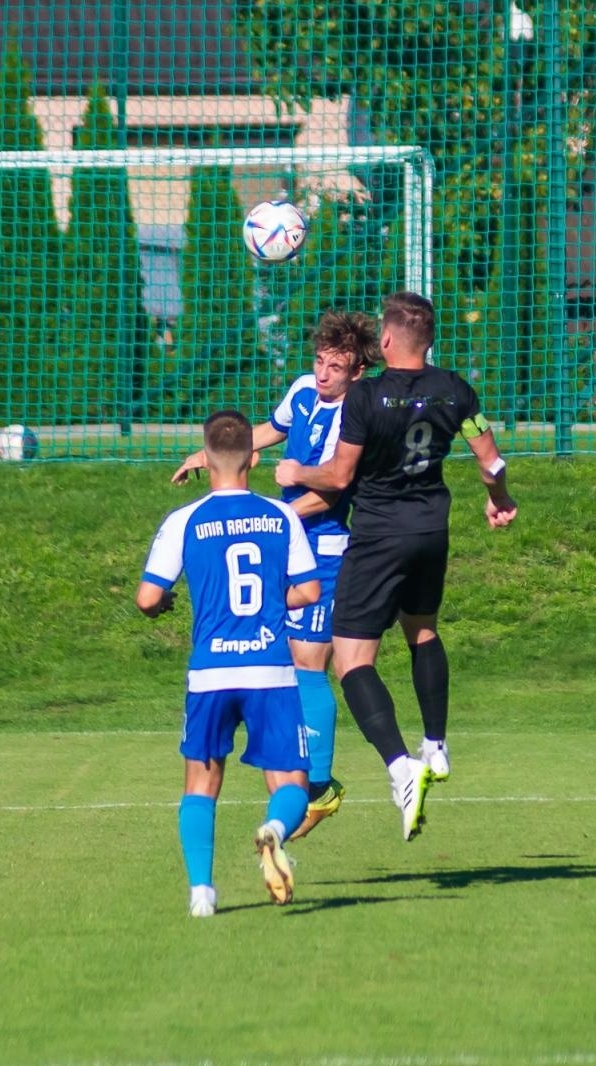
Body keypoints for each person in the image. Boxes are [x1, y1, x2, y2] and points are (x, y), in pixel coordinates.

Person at [275, 292, 517, 842]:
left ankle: (399, 766)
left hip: (380, 535)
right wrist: (498, 497)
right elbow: (490, 459)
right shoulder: (456, 390)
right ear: (428, 341)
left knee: (351, 661)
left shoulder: (365, 397)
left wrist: (295, 472)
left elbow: (338, 479)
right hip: (432, 530)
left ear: (384, 341)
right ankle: (435, 742)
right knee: (423, 630)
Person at [172, 309, 379, 840]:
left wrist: (271, 508)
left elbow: (335, 489)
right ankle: (304, 779)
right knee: (288, 661)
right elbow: (268, 430)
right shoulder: (305, 391)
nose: (325, 373)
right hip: (286, 545)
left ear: (358, 371)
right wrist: (212, 455)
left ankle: (321, 786)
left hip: (326, 549)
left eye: (338, 366)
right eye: (320, 361)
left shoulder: (358, 413)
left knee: (309, 662)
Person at [139, 410, 321, 916]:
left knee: (201, 783)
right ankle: (275, 830)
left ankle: (202, 892)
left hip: (212, 672)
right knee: (292, 786)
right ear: (254, 457)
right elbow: (307, 590)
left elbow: (147, 597)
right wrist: (267, 604)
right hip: (269, 668)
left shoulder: (184, 521)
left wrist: (170, 602)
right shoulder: (281, 516)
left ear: (205, 455)